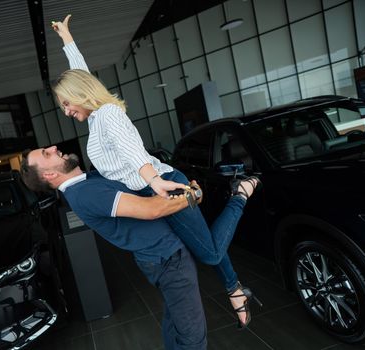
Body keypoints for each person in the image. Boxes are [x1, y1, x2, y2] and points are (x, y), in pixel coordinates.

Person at [50, 15, 261, 327]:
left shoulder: (107, 115)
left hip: (162, 185)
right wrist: (67, 39)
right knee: (204, 243)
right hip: (151, 188)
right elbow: (81, 72)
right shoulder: (96, 117)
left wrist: (154, 181)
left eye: (67, 103)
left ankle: (240, 195)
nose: (67, 111)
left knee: (209, 254)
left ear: (81, 95)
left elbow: (132, 147)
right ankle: (235, 289)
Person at [22, 146, 207, 350]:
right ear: (49, 174)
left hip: (161, 258)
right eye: (46, 154)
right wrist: (192, 194)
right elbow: (152, 209)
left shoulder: (88, 180)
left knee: (175, 323)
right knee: (192, 338)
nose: (53, 147)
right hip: (168, 260)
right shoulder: (84, 193)